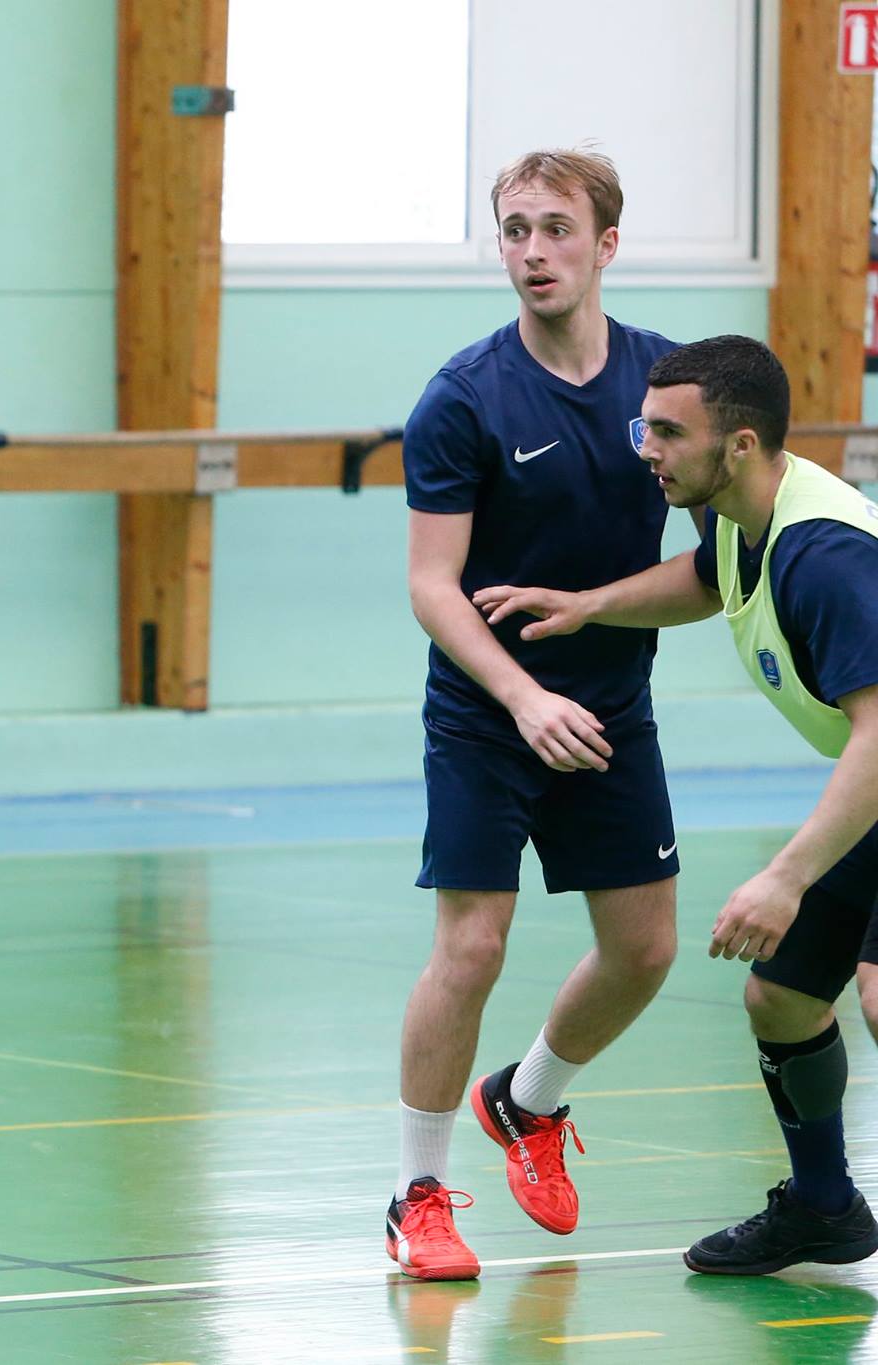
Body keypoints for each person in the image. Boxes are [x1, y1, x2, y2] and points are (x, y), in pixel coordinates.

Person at [475, 334, 878, 1275]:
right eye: (644, 424)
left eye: (666, 431)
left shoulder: (824, 557)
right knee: (782, 997)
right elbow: (706, 579)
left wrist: (787, 875)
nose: (645, 447)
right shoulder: (745, 516)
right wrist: (588, 604)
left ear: (737, 443)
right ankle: (822, 1205)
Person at [391, 149, 685, 1279]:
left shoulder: (666, 388)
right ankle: (416, 1195)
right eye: (512, 230)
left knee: (645, 948)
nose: (531, 252)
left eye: (554, 229)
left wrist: (595, 616)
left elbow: (710, 562)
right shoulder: (462, 397)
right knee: (470, 944)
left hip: (611, 704)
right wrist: (519, 695)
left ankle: (525, 1101)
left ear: (604, 245)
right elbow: (431, 584)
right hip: (486, 712)